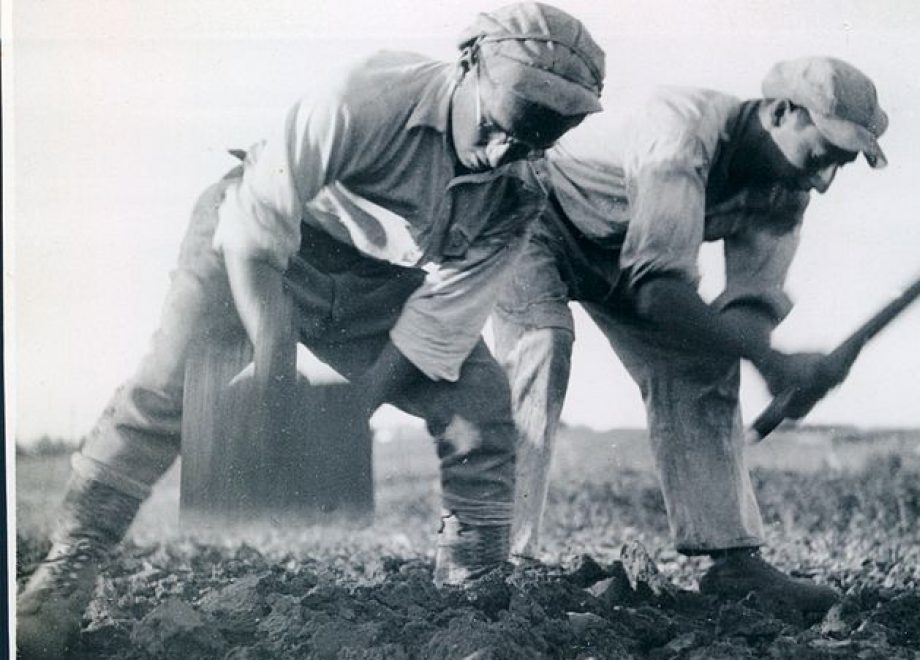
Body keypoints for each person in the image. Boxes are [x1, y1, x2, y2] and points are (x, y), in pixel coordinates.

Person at [16, 3, 604, 657]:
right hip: (261, 242)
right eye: (499, 125)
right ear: (469, 65)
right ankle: (69, 565)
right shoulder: (370, 92)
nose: (503, 153)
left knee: (479, 405)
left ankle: (473, 587)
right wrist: (272, 350)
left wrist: (351, 411)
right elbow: (262, 214)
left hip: (377, 282)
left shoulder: (522, 190)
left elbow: (442, 317)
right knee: (172, 384)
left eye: (534, 142)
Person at [492, 57, 887, 620]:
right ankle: (491, 559)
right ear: (780, 112)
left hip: (628, 252)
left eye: (840, 166)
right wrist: (773, 364)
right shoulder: (681, 127)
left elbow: (747, 315)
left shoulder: (785, 191)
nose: (822, 180)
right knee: (540, 345)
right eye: (823, 153)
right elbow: (658, 292)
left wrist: (776, 364)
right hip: (537, 209)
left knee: (704, 362)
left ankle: (732, 562)